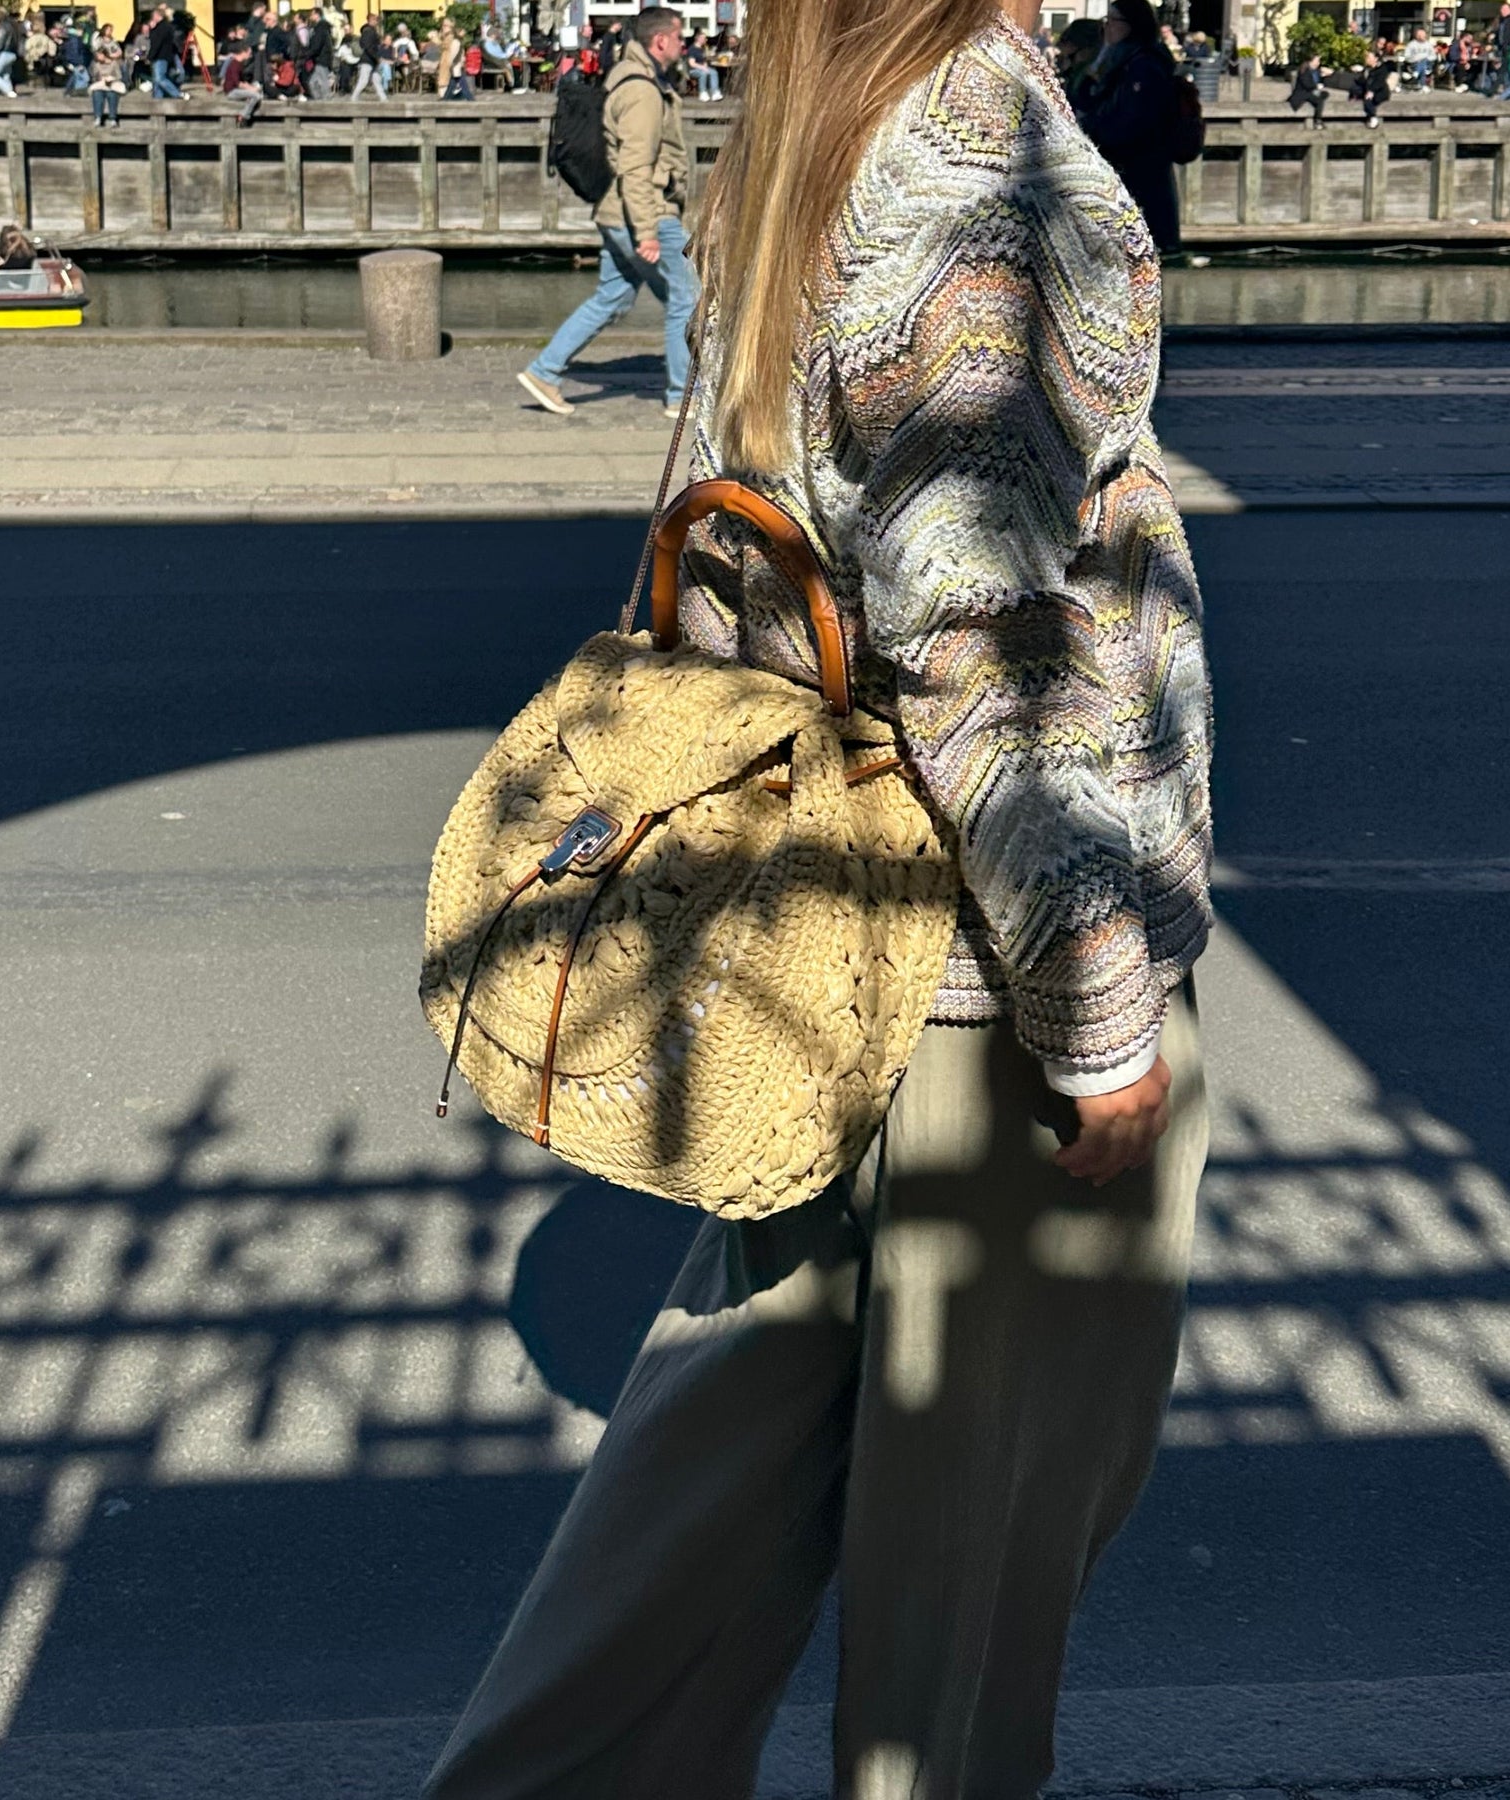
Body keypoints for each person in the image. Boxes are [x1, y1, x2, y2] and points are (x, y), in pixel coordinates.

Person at [428, 0, 1212, 1788]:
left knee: (704, 1505)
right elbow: (982, 638)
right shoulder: (986, 164)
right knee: (972, 1581)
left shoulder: (814, 131)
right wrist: (1099, 1018)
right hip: (982, 994)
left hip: (820, 957)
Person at [518, 8, 696, 418]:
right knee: (687, 297)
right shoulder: (642, 92)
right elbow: (635, 165)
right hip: (646, 212)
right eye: (679, 37)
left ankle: (544, 371)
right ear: (660, 41)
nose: (683, 45)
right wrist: (647, 231)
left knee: (612, 298)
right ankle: (681, 396)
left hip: (618, 213)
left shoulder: (635, 80)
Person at [1075, 0, 1180, 252]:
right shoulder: (1116, 59)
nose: (1107, 27)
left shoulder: (1144, 65)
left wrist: (1092, 130)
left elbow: (1130, 121)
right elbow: (1085, 97)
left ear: (1130, 25)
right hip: (1126, 168)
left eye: (1112, 21)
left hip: (1139, 170)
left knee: (1143, 247)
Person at [88, 26, 125, 124]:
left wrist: (111, 79)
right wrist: (100, 78)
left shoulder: (113, 63)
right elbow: (93, 76)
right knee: (97, 94)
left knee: (112, 95)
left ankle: (113, 118)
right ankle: (98, 118)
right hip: (100, 84)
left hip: (112, 84)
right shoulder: (95, 64)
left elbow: (119, 76)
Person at [147, 7, 184, 98]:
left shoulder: (161, 28)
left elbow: (156, 42)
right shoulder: (166, 26)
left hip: (160, 56)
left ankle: (177, 94)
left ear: (157, 15)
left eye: (153, 16)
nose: (152, 18)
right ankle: (158, 97)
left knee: (160, 78)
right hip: (164, 56)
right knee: (156, 80)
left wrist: (150, 56)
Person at [352, 11, 388, 97]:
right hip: (367, 60)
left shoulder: (370, 31)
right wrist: (376, 57)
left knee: (376, 80)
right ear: (371, 20)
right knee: (363, 81)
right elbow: (368, 47)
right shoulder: (368, 31)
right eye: (376, 20)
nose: (377, 22)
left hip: (372, 60)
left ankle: (383, 98)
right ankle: (354, 97)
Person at [1288, 49, 1328, 126]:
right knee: (1319, 100)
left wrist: (1324, 76)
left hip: (1311, 91)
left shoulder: (1316, 71)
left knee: (1324, 94)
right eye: (1317, 61)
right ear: (1311, 61)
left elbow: (1319, 81)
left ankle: (1318, 119)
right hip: (1303, 93)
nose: (1318, 63)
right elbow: (1307, 84)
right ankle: (1318, 121)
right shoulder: (1304, 70)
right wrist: (1316, 86)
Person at [685, 26, 720, 95]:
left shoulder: (702, 48)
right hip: (693, 70)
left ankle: (715, 92)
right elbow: (692, 63)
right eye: (704, 38)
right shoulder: (692, 49)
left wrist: (705, 64)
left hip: (701, 68)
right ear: (699, 39)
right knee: (703, 73)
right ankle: (703, 92)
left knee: (714, 72)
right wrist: (703, 67)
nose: (706, 40)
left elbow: (703, 60)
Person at [1399, 22, 1435, 86]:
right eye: (1419, 35)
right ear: (1416, 35)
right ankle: (1422, 85)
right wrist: (1416, 59)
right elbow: (1407, 56)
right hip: (1414, 64)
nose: (1421, 36)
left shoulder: (1429, 45)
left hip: (1427, 64)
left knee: (1423, 62)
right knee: (1423, 66)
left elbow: (1433, 56)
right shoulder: (1411, 44)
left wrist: (1425, 58)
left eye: (1423, 35)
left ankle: (1416, 73)